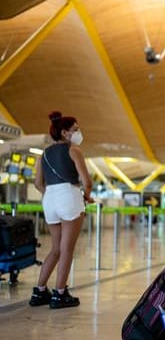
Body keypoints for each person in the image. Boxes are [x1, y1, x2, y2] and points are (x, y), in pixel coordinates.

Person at [29, 111, 93, 309]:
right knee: (67, 250)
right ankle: (60, 293)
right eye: (75, 130)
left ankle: (39, 291)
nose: (78, 133)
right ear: (65, 133)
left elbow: (37, 183)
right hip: (69, 196)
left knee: (55, 249)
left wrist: (52, 194)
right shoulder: (74, 151)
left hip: (50, 200)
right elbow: (86, 181)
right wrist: (86, 196)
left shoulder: (44, 155)